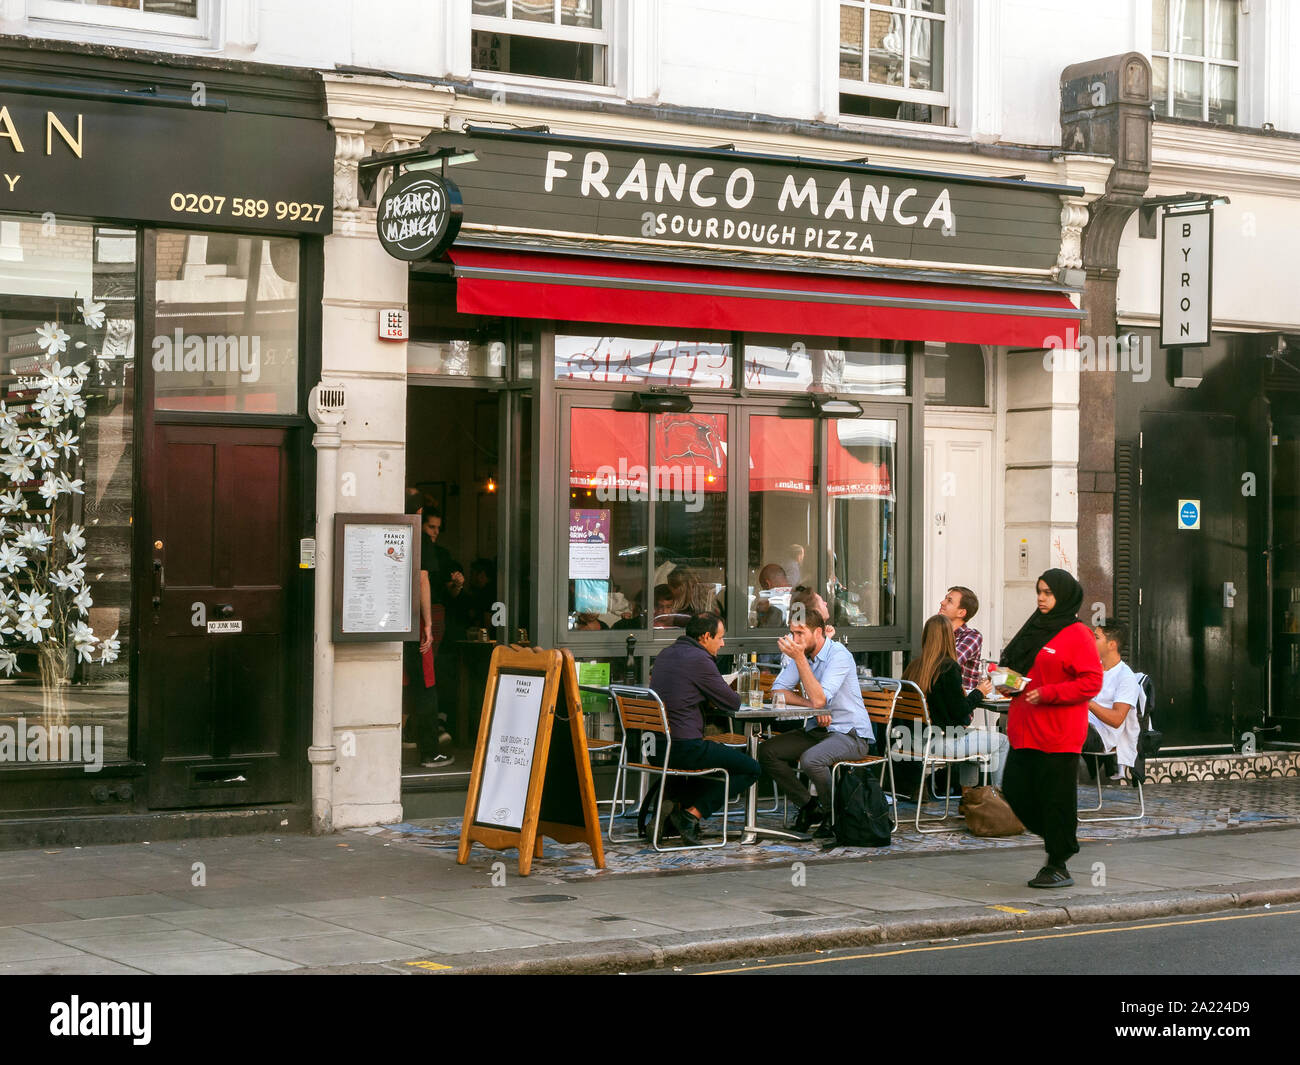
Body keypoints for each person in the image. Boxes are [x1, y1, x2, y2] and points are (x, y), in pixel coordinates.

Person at [998, 569, 1103, 889]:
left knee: (1056, 799)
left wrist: (1049, 693)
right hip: (1025, 728)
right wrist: (1006, 682)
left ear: (1064, 596)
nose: (1041, 598)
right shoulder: (1034, 628)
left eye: (1048, 593)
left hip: (1059, 733)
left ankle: (1058, 862)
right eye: (1039, 591)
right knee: (1015, 791)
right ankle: (1062, 837)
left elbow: (1091, 682)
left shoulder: (1077, 633)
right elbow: (1019, 670)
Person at [757, 609, 874, 834]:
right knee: (767, 751)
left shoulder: (838, 655)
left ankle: (834, 815)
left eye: (800, 633)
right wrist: (812, 706)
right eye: (792, 633)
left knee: (812, 760)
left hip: (850, 734)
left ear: (818, 632)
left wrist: (800, 661)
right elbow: (778, 692)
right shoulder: (803, 655)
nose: (794, 640)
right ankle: (809, 806)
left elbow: (821, 698)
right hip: (818, 731)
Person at [648, 613, 760, 845]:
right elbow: (733, 702)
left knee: (717, 761)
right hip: (684, 748)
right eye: (720, 637)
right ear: (705, 636)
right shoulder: (699, 659)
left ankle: (675, 808)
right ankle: (690, 815)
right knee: (751, 768)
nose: (722, 643)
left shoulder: (666, 654)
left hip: (655, 748)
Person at [901, 614, 1007, 790]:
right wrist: (979, 692)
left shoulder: (914, 667)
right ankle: (998, 798)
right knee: (1003, 742)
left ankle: (967, 797)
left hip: (911, 740)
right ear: (950, 638)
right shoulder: (948, 668)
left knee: (972, 738)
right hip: (941, 742)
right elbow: (960, 711)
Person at [404, 494, 452, 769]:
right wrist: (429, 625)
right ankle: (429, 751)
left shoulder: (401, 535)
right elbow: (422, 579)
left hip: (398, 620)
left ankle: (416, 739)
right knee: (426, 685)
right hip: (417, 623)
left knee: (416, 685)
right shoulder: (420, 540)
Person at [1084, 622, 1141, 779]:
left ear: (1111, 644)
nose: (1091, 641)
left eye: (1096, 637)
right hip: (1081, 721)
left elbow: (1117, 719)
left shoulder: (1125, 677)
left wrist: (1088, 702)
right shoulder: (1093, 668)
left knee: (1056, 729)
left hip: (1100, 734)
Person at [938, 586, 983, 693]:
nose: (942, 602)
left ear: (961, 613)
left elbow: (948, 666)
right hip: (937, 700)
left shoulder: (972, 637)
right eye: (945, 598)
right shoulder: (938, 632)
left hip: (958, 703)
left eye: (949, 601)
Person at [751, 563, 792, 627]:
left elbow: (765, 632)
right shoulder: (799, 595)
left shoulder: (771, 602)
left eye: (763, 587)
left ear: (767, 584)